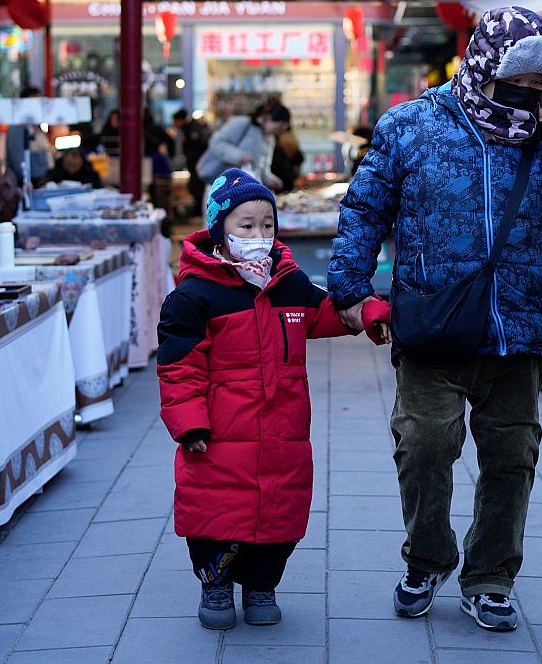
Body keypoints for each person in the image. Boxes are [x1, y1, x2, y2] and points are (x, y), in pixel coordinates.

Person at [328, 5, 542, 632]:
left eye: (540, 80)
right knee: (425, 445)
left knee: (512, 455)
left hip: (516, 325)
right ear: (483, 64)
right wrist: (349, 286)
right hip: (433, 318)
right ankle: (426, 559)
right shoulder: (413, 124)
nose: (529, 91)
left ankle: (491, 576)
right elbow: (365, 207)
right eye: (519, 76)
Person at [158, 169, 391, 631]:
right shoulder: (195, 296)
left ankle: (262, 585)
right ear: (219, 230)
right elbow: (178, 367)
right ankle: (216, 584)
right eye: (246, 226)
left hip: (283, 429)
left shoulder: (287, 283)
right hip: (221, 434)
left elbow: (326, 312)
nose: (259, 236)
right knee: (216, 514)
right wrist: (189, 423)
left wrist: (368, 312)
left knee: (279, 513)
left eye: (267, 225)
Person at [195, 102, 291, 191]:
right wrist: (240, 157)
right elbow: (217, 142)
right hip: (221, 185)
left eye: (280, 130)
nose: (277, 132)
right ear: (268, 118)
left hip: (243, 189)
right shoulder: (244, 123)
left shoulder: (270, 138)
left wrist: (269, 179)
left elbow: (261, 167)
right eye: (277, 127)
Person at [270, 121, 305, 191]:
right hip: (284, 181)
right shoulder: (291, 137)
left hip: (280, 181)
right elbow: (299, 159)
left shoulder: (276, 139)